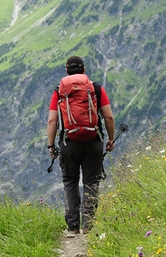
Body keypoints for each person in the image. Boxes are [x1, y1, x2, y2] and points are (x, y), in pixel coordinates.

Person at [47, 56, 115, 235]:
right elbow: (108, 117)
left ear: (66, 70)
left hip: (69, 141)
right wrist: (110, 139)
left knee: (70, 180)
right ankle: (88, 225)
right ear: (84, 69)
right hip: (94, 140)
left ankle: (73, 226)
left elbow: (52, 120)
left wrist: (50, 145)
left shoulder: (59, 91)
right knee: (91, 181)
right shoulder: (96, 89)